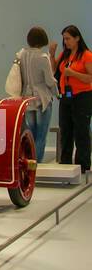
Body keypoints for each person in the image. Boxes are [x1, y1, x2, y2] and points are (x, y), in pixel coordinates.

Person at [51, 25, 92, 174]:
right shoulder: (65, 54)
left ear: (77, 38)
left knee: (81, 131)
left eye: (68, 38)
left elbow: (90, 78)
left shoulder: (86, 55)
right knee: (66, 130)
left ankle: (83, 165)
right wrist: (52, 54)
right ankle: (66, 163)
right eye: (64, 39)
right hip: (66, 97)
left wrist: (73, 73)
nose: (66, 41)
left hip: (82, 97)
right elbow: (54, 69)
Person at [15, 27, 58, 163]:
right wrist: (57, 93)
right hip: (42, 99)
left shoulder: (21, 54)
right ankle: (37, 163)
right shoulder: (42, 57)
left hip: (27, 99)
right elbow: (49, 81)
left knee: (30, 134)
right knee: (41, 134)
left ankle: (28, 161)